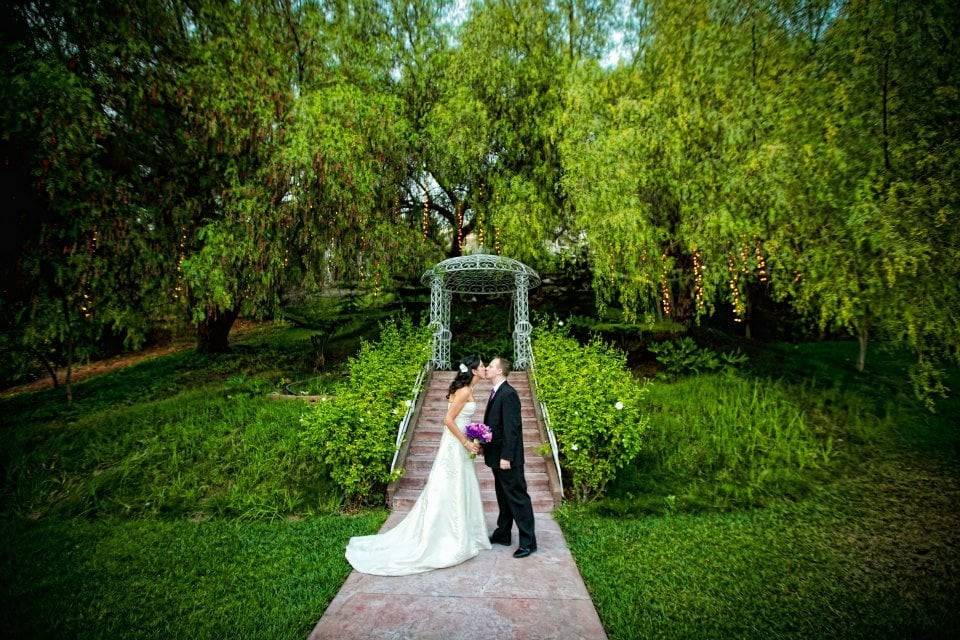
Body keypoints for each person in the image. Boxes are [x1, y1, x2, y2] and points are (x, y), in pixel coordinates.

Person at [344, 355, 492, 575]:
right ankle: (449, 536)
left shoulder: (469, 390)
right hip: (455, 446)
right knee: (450, 486)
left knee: (457, 486)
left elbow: (461, 421)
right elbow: (448, 420)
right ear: (473, 370)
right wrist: (465, 442)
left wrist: (474, 434)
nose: (485, 368)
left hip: (457, 444)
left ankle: (462, 531)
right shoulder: (463, 392)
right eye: (482, 366)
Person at [481, 355, 538, 558]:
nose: (487, 368)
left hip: (507, 459)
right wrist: (483, 444)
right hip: (496, 456)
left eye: (491, 366)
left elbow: (512, 429)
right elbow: (495, 426)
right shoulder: (496, 392)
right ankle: (503, 533)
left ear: (500, 371)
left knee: (517, 498)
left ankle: (528, 542)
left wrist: (506, 456)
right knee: (503, 497)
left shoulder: (509, 394)